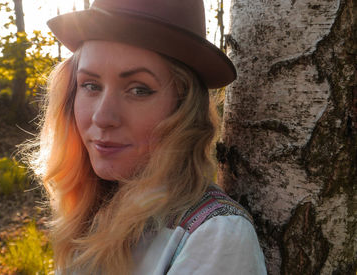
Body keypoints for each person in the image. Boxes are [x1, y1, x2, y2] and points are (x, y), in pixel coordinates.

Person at [25, 0, 267, 273]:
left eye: (139, 90)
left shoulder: (215, 236)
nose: (102, 117)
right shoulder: (90, 210)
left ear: (183, 107)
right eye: (91, 85)